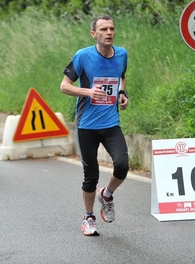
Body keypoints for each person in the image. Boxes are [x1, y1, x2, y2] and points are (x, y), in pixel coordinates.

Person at [60, 15, 129, 236]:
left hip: (110, 123)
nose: (109, 32)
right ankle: (88, 217)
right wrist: (88, 91)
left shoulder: (122, 54)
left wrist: (121, 93)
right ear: (94, 34)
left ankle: (107, 194)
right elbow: (64, 86)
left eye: (112, 28)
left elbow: (121, 77)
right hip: (87, 125)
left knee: (122, 165)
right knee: (91, 174)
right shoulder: (83, 56)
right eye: (103, 29)